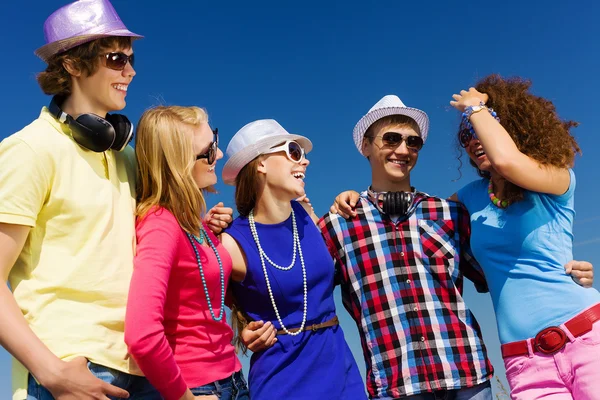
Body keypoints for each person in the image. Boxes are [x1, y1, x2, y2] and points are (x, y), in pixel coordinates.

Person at [0, 0, 163, 398]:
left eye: (130, 58)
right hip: (72, 369)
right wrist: (51, 371)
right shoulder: (30, 149)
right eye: (115, 58)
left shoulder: (126, 157)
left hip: (144, 365)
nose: (130, 70)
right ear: (72, 64)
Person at [319, 95, 494, 400]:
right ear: (365, 147)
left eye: (413, 142)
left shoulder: (449, 213)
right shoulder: (338, 225)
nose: (403, 150)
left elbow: (496, 274)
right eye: (391, 139)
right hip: (397, 385)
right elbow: (298, 290)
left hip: (468, 376)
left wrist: (563, 269)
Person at [449, 75, 600, 399]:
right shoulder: (470, 197)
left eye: (484, 126)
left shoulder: (556, 178)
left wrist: (475, 107)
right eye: (466, 135)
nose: (474, 140)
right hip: (524, 360)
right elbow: (418, 216)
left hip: (587, 338)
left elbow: (507, 161)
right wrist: (348, 199)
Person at [217, 119, 366, 399]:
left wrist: (357, 198)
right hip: (282, 381)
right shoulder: (231, 242)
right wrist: (241, 334)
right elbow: (198, 309)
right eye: (293, 151)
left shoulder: (308, 217)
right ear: (260, 163)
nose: (305, 162)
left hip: (341, 372)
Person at [124, 106, 248, 400]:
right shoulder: (160, 226)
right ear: (179, 164)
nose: (218, 156)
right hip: (197, 388)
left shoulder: (192, 223)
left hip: (231, 378)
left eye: (214, 142)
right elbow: (141, 335)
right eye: (208, 151)